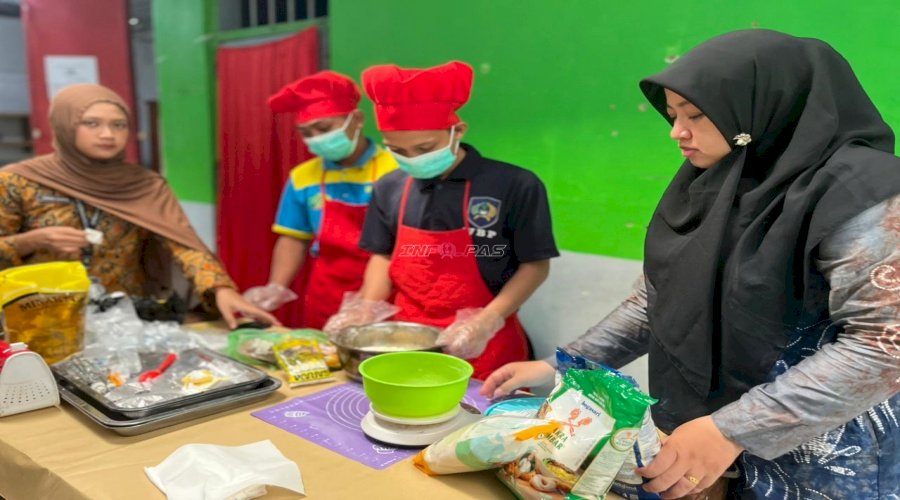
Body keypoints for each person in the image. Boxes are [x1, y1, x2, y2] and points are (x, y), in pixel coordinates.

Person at [481, 30, 899, 499]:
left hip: (827, 459)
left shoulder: (862, 194)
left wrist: (732, 429)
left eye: (696, 115)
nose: (676, 132)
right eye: (674, 114)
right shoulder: (714, 183)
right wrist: (567, 367)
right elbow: (657, 300)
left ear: (762, 107)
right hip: (711, 445)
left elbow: (883, 344)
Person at [323, 61, 560, 380]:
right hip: (405, 340)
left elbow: (535, 265)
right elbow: (382, 254)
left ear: (457, 131)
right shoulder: (389, 187)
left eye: (424, 148)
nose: (412, 159)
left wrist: (486, 321)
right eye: (397, 150)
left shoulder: (514, 184)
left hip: (486, 343)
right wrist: (367, 307)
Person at [0, 84, 277, 329]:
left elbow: (184, 245)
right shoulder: (18, 181)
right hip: (39, 319)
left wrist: (220, 288)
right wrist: (31, 241)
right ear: (64, 125)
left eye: (119, 125)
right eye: (91, 124)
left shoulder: (146, 185)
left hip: (125, 320)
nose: (108, 134)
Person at [242, 71, 397, 328]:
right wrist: (276, 287)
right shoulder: (303, 177)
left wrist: (368, 304)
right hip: (327, 293)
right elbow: (294, 237)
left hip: (386, 295)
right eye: (306, 132)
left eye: (324, 128)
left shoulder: (395, 170)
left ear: (356, 119)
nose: (315, 138)